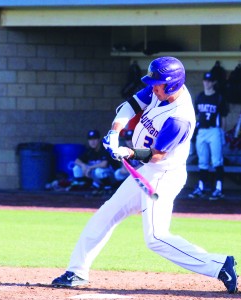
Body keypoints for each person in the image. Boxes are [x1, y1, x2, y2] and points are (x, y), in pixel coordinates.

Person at [51, 57, 238, 294]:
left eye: (158, 84)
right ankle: (77, 271)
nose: (153, 87)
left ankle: (220, 265)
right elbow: (131, 105)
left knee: (156, 238)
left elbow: (158, 155)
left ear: (171, 85)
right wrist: (115, 132)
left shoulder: (180, 118)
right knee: (106, 214)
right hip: (147, 171)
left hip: (163, 175)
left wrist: (127, 152)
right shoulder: (159, 91)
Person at [188, 71, 229, 201]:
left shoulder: (218, 97)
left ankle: (218, 188)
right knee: (202, 162)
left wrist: (222, 133)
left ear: (214, 82)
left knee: (217, 161)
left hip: (214, 131)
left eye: (210, 81)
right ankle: (201, 187)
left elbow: (223, 118)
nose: (207, 83)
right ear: (203, 81)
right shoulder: (200, 96)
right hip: (202, 131)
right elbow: (195, 115)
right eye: (205, 80)